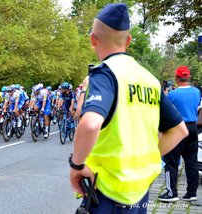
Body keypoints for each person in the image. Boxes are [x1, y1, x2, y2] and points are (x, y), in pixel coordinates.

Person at [69, 3, 189, 213]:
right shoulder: (149, 79)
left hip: (106, 192)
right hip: (140, 193)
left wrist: (77, 166)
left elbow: (90, 124)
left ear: (92, 40)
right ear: (129, 40)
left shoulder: (105, 73)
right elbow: (180, 130)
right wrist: (146, 160)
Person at [158, 66, 200, 202]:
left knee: (171, 161)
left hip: (177, 128)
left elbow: (167, 111)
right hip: (193, 128)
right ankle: (191, 193)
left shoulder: (172, 94)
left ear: (176, 78)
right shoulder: (196, 92)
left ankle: (172, 193)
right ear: (188, 77)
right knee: (191, 161)